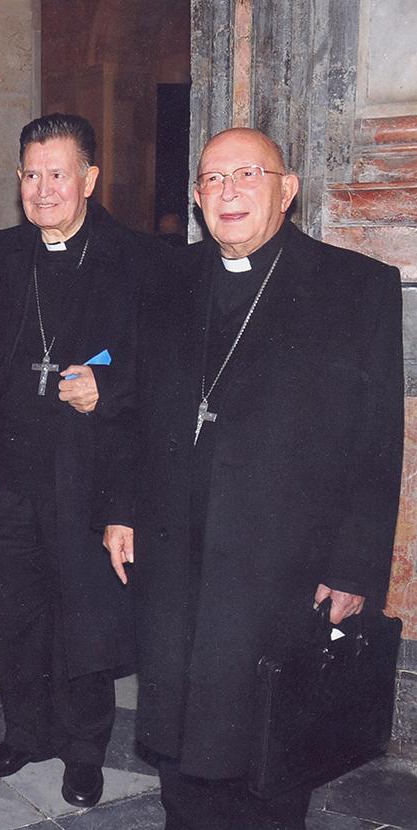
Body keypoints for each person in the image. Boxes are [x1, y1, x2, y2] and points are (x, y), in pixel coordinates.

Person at [101, 127, 403, 829]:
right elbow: (129, 410)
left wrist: (355, 567)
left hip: (282, 563)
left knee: (267, 744)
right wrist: (119, 509)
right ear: (197, 197)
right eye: (211, 179)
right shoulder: (164, 280)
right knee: (179, 725)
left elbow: (376, 443)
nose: (227, 192)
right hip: (177, 551)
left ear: (287, 189)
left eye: (247, 175)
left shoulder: (355, 287)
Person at [0, 113, 144, 807]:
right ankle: (25, 732)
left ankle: (84, 749)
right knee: (16, 613)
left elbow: (165, 370)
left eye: (58, 174)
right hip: (5, 472)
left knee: (83, 617)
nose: (43, 189)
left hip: (87, 475)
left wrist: (111, 385)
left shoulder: (135, 259)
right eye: (31, 174)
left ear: (90, 179)